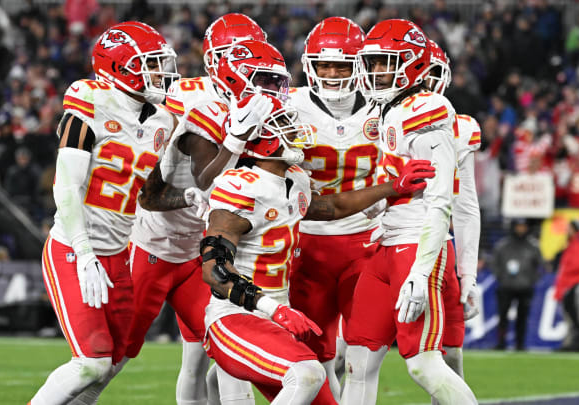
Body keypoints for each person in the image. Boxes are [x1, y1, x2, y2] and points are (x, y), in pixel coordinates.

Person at [200, 93, 435, 405]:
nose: (295, 130)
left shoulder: (293, 179)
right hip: (236, 317)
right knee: (308, 372)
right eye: (282, 123)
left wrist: (393, 188)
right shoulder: (238, 187)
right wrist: (274, 308)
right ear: (261, 138)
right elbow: (214, 269)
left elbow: (331, 206)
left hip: (276, 319)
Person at [88, 16, 268, 405]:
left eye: (256, 58)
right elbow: (184, 176)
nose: (249, 69)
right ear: (216, 59)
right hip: (155, 243)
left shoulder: (268, 100)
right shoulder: (186, 97)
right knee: (113, 355)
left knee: (226, 348)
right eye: (240, 58)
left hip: (202, 249)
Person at [28, 22, 198, 405]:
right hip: (74, 248)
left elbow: (149, 196)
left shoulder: (160, 120)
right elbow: (66, 186)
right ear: (119, 67)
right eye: (150, 64)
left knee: (114, 358)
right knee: (91, 362)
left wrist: (189, 196)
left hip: (117, 253)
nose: (160, 73)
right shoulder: (89, 100)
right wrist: (84, 252)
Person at [342, 19, 477, 405]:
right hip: (386, 244)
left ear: (414, 63)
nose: (376, 72)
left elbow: (445, 203)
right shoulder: (389, 111)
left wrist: (423, 270)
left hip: (417, 246)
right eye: (373, 63)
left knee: (423, 363)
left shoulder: (428, 109)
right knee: (359, 358)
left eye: (387, 62)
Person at [285, 16, 379, 399]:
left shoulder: (381, 106)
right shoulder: (288, 104)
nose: (331, 73)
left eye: (341, 65)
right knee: (314, 356)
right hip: (307, 242)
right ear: (309, 64)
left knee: (364, 355)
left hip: (366, 243)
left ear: (359, 65)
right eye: (323, 64)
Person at [424, 39, 482, 401]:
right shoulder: (371, 122)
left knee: (451, 355)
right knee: (348, 354)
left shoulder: (459, 128)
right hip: (374, 245)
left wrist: (469, 274)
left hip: (437, 249)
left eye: (430, 73)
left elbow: (466, 206)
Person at [491, 219, 543, 350]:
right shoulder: (503, 245)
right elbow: (494, 264)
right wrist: (501, 278)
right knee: (503, 316)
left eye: (523, 226)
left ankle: (520, 344)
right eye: (518, 226)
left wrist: (531, 280)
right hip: (506, 286)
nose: (521, 229)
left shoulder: (533, 246)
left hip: (525, 287)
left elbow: (540, 266)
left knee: (522, 317)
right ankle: (501, 342)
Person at [554, 219, 579, 301]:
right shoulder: (571, 244)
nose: (567, 230)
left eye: (570, 228)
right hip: (568, 285)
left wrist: (564, 270)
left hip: (574, 285)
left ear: (575, 230)